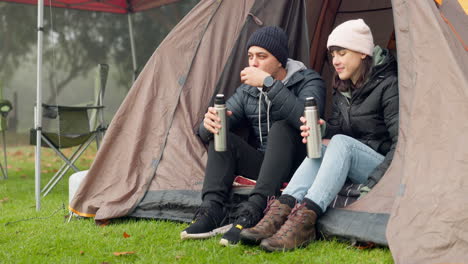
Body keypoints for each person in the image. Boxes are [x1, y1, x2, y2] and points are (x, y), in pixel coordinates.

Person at [239, 19, 399, 252]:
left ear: (363, 53)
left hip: (381, 165)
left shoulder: (389, 84)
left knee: (341, 144)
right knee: (323, 145)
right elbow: (336, 130)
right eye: (333, 54)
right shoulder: (344, 87)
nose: (335, 61)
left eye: (342, 53)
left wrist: (375, 182)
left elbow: (401, 144)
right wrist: (321, 130)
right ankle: (279, 212)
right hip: (353, 157)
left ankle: (304, 222)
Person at [180, 26, 326, 246]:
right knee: (223, 135)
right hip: (266, 166)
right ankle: (212, 209)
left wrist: (269, 85)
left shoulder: (309, 81)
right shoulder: (248, 91)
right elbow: (210, 129)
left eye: (261, 56)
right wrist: (207, 125)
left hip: (300, 165)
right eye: (250, 57)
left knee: (281, 127)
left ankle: (254, 211)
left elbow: (307, 119)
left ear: (280, 60)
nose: (253, 63)